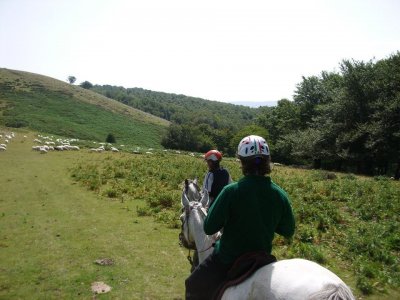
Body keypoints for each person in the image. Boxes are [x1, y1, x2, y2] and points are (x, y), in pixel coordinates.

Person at [185, 135, 295, 300]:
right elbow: (288, 230)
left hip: (228, 258)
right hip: (263, 258)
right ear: (267, 162)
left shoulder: (231, 191)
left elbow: (208, 227)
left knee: (193, 284)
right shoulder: (279, 194)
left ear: (242, 162)